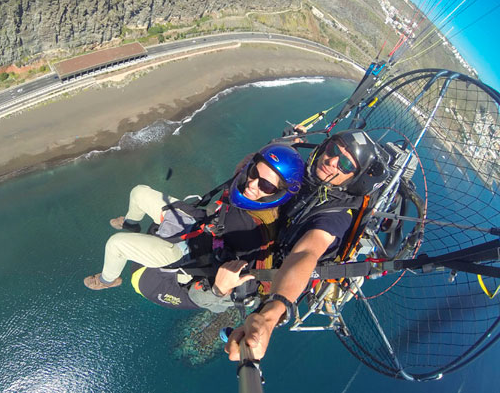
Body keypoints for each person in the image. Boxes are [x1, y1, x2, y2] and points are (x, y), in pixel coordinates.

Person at [225, 128, 389, 361]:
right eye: (333, 150)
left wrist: (271, 314)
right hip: (272, 235)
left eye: (345, 164)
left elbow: (306, 253)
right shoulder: (312, 177)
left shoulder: (336, 216)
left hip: (275, 266)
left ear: (354, 178)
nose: (332, 161)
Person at [83, 143, 306, 301]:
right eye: (255, 173)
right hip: (197, 223)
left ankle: (108, 279)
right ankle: (132, 224)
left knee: (117, 244)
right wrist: (282, 147)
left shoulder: (249, 229)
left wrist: (218, 291)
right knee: (139, 192)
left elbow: (229, 273)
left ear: (278, 194)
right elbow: (248, 162)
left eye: (265, 185)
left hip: (185, 254)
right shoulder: (245, 189)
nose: (252, 184)